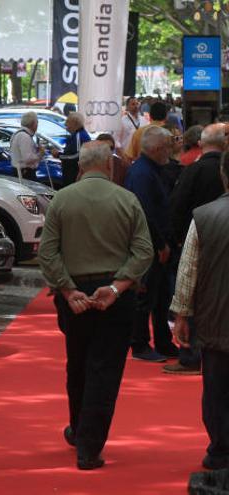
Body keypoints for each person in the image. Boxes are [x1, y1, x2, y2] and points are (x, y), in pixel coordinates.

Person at [40, 141, 153, 470]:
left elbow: (47, 252)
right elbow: (143, 251)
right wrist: (119, 287)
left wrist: (67, 288)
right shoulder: (127, 200)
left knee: (77, 362)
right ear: (109, 166)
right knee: (105, 369)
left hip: (74, 293)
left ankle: (78, 428)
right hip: (115, 293)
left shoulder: (61, 199)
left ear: (80, 167)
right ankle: (89, 446)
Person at [171, 152, 229, 470]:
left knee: (216, 388)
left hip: (215, 317)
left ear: (223, 175)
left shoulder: (204, 216)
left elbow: (188, 269)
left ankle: (220, 448)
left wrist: (181, 313)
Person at [166, 123, 228, 374]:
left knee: (201, 294)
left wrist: (176, 239)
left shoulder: (193, 171)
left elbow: (177, 207)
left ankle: (191, 355)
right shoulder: (214, 169)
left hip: (202, 235)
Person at [125, 126, 177, 362]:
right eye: (168, 145)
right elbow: (146, 213)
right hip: (150, 245)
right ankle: (140, 344)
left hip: (157, 243)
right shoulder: (143, 173)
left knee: (161, 296)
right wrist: (160, 244)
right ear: (156, 148)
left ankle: (163, 341)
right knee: (146, 296)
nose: (171, 149)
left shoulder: (151, 170)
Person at [58, 112, 91, 187]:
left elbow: (77, 156)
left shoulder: (79, 136)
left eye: (68, 122)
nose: (65, 124)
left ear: (75, 123)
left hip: (74, 175)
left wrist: (59, 155)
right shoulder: (77, 135)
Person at [9, 111, 41, 181]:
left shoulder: (19, 134)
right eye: (37, 122)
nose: (37, 125)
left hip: (22, 172)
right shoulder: (24, 136)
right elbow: (28, 159)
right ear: (33, 123)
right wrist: (40, 154)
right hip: (25, 173)